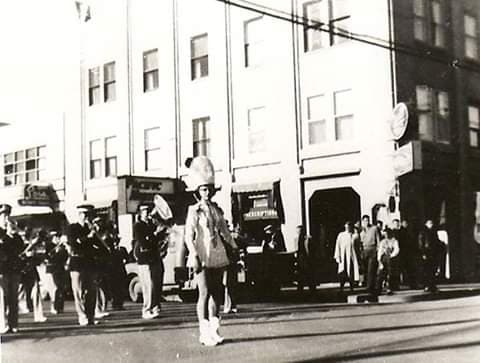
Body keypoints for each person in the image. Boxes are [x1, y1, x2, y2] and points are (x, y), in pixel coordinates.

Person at [184, 156, 238, 346]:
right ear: (198, 191)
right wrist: (193, 254)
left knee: (217, 292)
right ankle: (204, 332)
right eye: (204, 189)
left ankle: (214, 331)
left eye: (209, 189)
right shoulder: (193, 210)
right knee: (204, 292)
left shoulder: (216, 210)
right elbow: (188, 236)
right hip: (202, 253)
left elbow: (225, 231)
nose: (207, 192)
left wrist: (233, 246)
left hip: (217, 253)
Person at [67, 204, 98, 326]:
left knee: (91, 291)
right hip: (77, 263)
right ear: (79, 215)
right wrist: (88, 237)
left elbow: (97, 246)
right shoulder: (73, 228)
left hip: (89, 263)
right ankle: (82, 315)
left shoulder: (90, 229)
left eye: (88, 215)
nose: (86, 217)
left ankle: (90, 316)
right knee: (78, 291)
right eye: (84, 215)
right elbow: (74, 243)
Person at [133, 203, 164, 320]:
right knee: (148, 285)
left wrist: (160, 233)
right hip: (145, 259)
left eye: (148, 210)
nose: (147, 213)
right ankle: (146, 309)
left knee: (156, 283)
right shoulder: (138, 226)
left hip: (155, 257)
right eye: (144, 211)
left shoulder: (151, 224)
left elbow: (156, 241)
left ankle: (155, 307)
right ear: (140, 213)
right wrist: (155, 234)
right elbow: (143, 242)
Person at [0, 205, 24, 334]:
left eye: (7, 215)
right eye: (3, 215)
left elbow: (21, 249)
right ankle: (2, 324)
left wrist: (14, 234)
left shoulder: (14, 233)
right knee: (2, 298)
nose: (6, 218)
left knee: (13, 298)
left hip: (13, 270)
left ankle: (13, 323)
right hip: (1, 270)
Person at [18, 228, 48, 323]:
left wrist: (33, 256)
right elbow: (18, 256)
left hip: (31, 269)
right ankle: (21, 308)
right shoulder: (18, 244)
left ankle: (38, 314)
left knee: (36, 292)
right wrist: (25, 255)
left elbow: (38, 258)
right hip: (20, 270)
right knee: (20, 292)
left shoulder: (32, 245)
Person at [44, 231, 68, 314]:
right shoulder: (48, 246)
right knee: (54, 288)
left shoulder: (62, 247)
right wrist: (55, 252)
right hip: (52, 269)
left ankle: (60, 306)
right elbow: (47, 257)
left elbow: (65, 257)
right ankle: (54, 306)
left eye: (58, 236)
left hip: (60, 268)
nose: (57, 238)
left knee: (61, 287)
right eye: (55, 237)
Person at [223, 225, 246, 314]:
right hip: (227, 264)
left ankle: (232, 306)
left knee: (232, 286)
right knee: (228, 286)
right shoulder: (224, 241)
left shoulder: (232, 239)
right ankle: (228, 306)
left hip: (232, 265)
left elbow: (239, 249)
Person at [334, 221, 360, 293]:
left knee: (351, 272)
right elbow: (337, 246)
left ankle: (352, 288)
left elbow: (357, 246)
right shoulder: (341, 235)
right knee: (342, 272)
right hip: (343, 256)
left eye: (349, 226)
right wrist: (338, 256)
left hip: (351, 257)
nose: (348, 227)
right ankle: (341, 288)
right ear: (345, 227)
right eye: (346, 226)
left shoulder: (354, 236)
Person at [360, 215, 381, 295]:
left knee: (371, 269)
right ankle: (369, 285)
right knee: (366, 270)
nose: (366, 222)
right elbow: (360, 243)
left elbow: (378, 240)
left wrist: (378, 251)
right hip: (365, 251)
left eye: (367, 220)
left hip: (372, 250)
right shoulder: (361, 231)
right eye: (365, 221)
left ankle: (370, 288)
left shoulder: (374, 229)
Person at [418, 219, 440, 292]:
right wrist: (423, 253)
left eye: (432, 223)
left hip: (433, 253)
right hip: (427, 252)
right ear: (426, 224)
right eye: (430, 223)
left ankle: (432, 285)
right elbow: (421, 244)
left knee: (433, 270)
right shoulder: (423, 232)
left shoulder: (434, 232)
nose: (431, 225)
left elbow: (436, 242)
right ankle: (427, 285)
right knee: (427, 270)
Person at [376, 228, 400, 295]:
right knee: (380, 274)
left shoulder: (394, 241)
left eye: (387, 234)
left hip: (391, 259)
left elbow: (396, 250)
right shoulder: (383, 242)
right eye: (385, 234)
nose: (386, 235)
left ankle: (389, 288)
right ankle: (378, 289)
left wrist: (391, 256)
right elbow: (380, 251)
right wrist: (379, 260)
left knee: (390, 274)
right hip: (384, 258)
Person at [296, 225, 316, 293]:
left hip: (307, 259)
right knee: (300, 275)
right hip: (300, 259)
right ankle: (300, 290)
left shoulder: (308, 239)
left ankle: (312, 289)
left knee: (309, 274)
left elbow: (312, 249)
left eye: (300, 231)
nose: (299, 233)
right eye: (298, 231)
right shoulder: (296, 239)